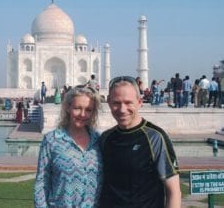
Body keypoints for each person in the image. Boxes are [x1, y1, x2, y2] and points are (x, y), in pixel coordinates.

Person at [99, 76, 181, 208]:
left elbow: (173, 191)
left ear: (139, 102)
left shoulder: (155, 137)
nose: (122, 109)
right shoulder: (106, 138)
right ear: (108, 102)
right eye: (116, 103)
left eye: (128, 102)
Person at [34, 85, 102, 207]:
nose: (82, 114)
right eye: (77, 108)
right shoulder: (52, 140)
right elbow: (41, 183)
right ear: (68, 108)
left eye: (88, 110)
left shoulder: (99, 141)